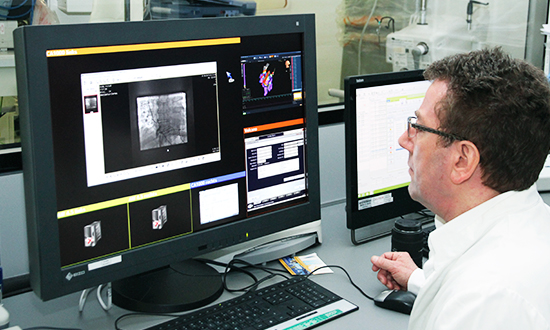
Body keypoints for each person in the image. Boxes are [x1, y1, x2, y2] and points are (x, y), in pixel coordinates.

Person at [370, 47, 550, 329]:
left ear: (462, 160)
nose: (404, 139)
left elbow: (479, 296)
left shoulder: (483, 301)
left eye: (418, 127)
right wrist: (419, 280)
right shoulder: (531, 225)